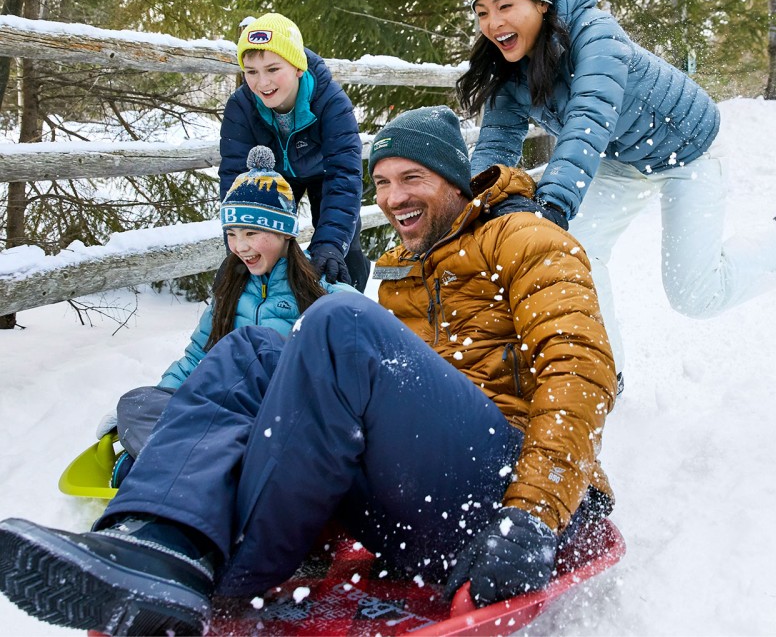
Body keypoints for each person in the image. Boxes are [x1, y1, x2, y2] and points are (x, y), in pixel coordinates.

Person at [0, 107, 616, 637]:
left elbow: (581, 370)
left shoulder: (528, 240)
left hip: (504, 498)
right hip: (416, 514)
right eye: (382, 182)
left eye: (413, 178)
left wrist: (534, 516)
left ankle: (234, 565)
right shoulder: (403, 270)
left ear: (454, 180)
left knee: (337, 321)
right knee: (253, 351)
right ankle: (166, 546)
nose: (394, 197)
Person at [457, 0, 776, 374]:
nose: (493, 23)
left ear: (540, 1)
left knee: (695, 295)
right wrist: (471, 206)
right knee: (574, 251)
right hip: (622, 158)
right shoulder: (511, 69)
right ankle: (604, 370)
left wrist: (555, 201)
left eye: (505, 6)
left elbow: (590, 115)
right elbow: (496, 144)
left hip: (689, 149)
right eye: (482, 12)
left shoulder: (594, 33)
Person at [96, 145, 356, 480]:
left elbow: (360, 365)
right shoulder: (231, 289)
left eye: (252, 233)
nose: (240, 247)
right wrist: (161, 403)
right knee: (137, 403)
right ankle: (185, 461)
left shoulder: (323, 292)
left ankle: (175, 465)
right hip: (226, 415)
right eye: (232, 234)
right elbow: (195, 359)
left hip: (284, 421)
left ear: (284, 232)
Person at [220, 12, 371, 292]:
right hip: (270, 174)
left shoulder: (331, 102)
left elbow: (344, 175)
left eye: (273, 69)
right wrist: (239, 248)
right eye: (251, 72)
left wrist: (330, 244)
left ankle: (351, 302)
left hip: (324, 175)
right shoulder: (241, 107)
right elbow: (235, 178)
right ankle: (271, 305)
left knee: (343, 246)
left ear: (298, 67)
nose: (262, 83)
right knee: (267, 244)